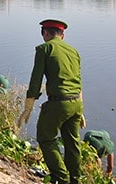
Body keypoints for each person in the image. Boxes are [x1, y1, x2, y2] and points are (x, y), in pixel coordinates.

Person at [17, 19, 85, 184]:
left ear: (45, 33)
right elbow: (78, 80)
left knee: (46, 138)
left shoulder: (44, 49)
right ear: (63, 35)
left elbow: (36, 79)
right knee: (72, 142)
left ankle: (62, 178)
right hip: (76, 102)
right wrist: (81, 110)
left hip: (58, 103)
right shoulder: (74, 51)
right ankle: (76, 179)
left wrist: (28, 107)